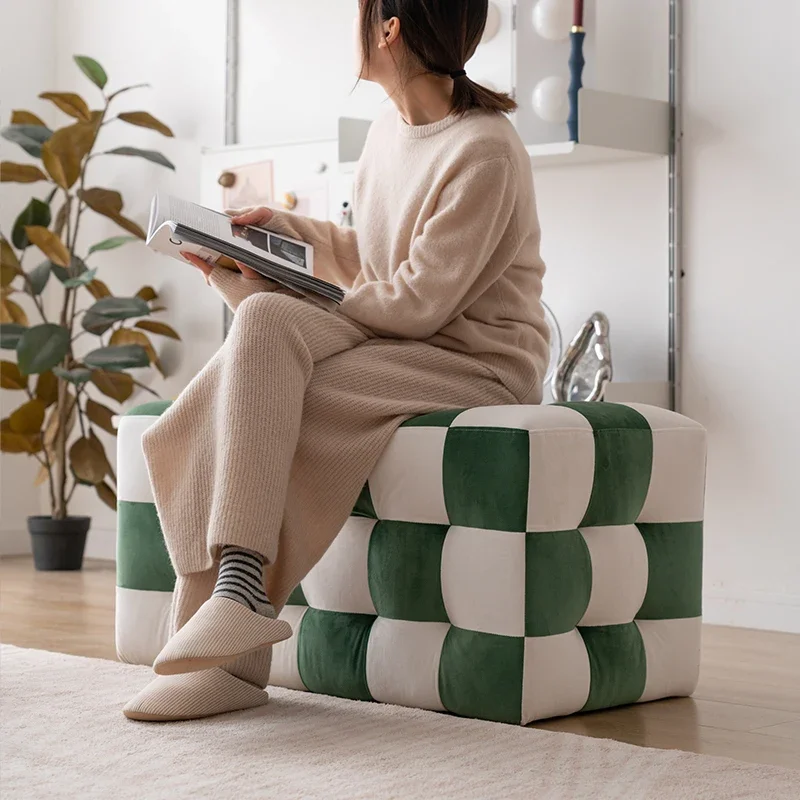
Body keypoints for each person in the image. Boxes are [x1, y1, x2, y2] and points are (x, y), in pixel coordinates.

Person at [124, 0, 550, 722]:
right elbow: (368, 259)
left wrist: (302, 293)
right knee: (261, 324)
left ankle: (234, 628)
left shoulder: (485, 149)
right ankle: (229, 614)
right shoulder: (390, 131)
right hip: (403, 340)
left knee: (275, 367)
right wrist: (277, 237)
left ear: (388, 28)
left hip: (476, 360)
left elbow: (419, 301)